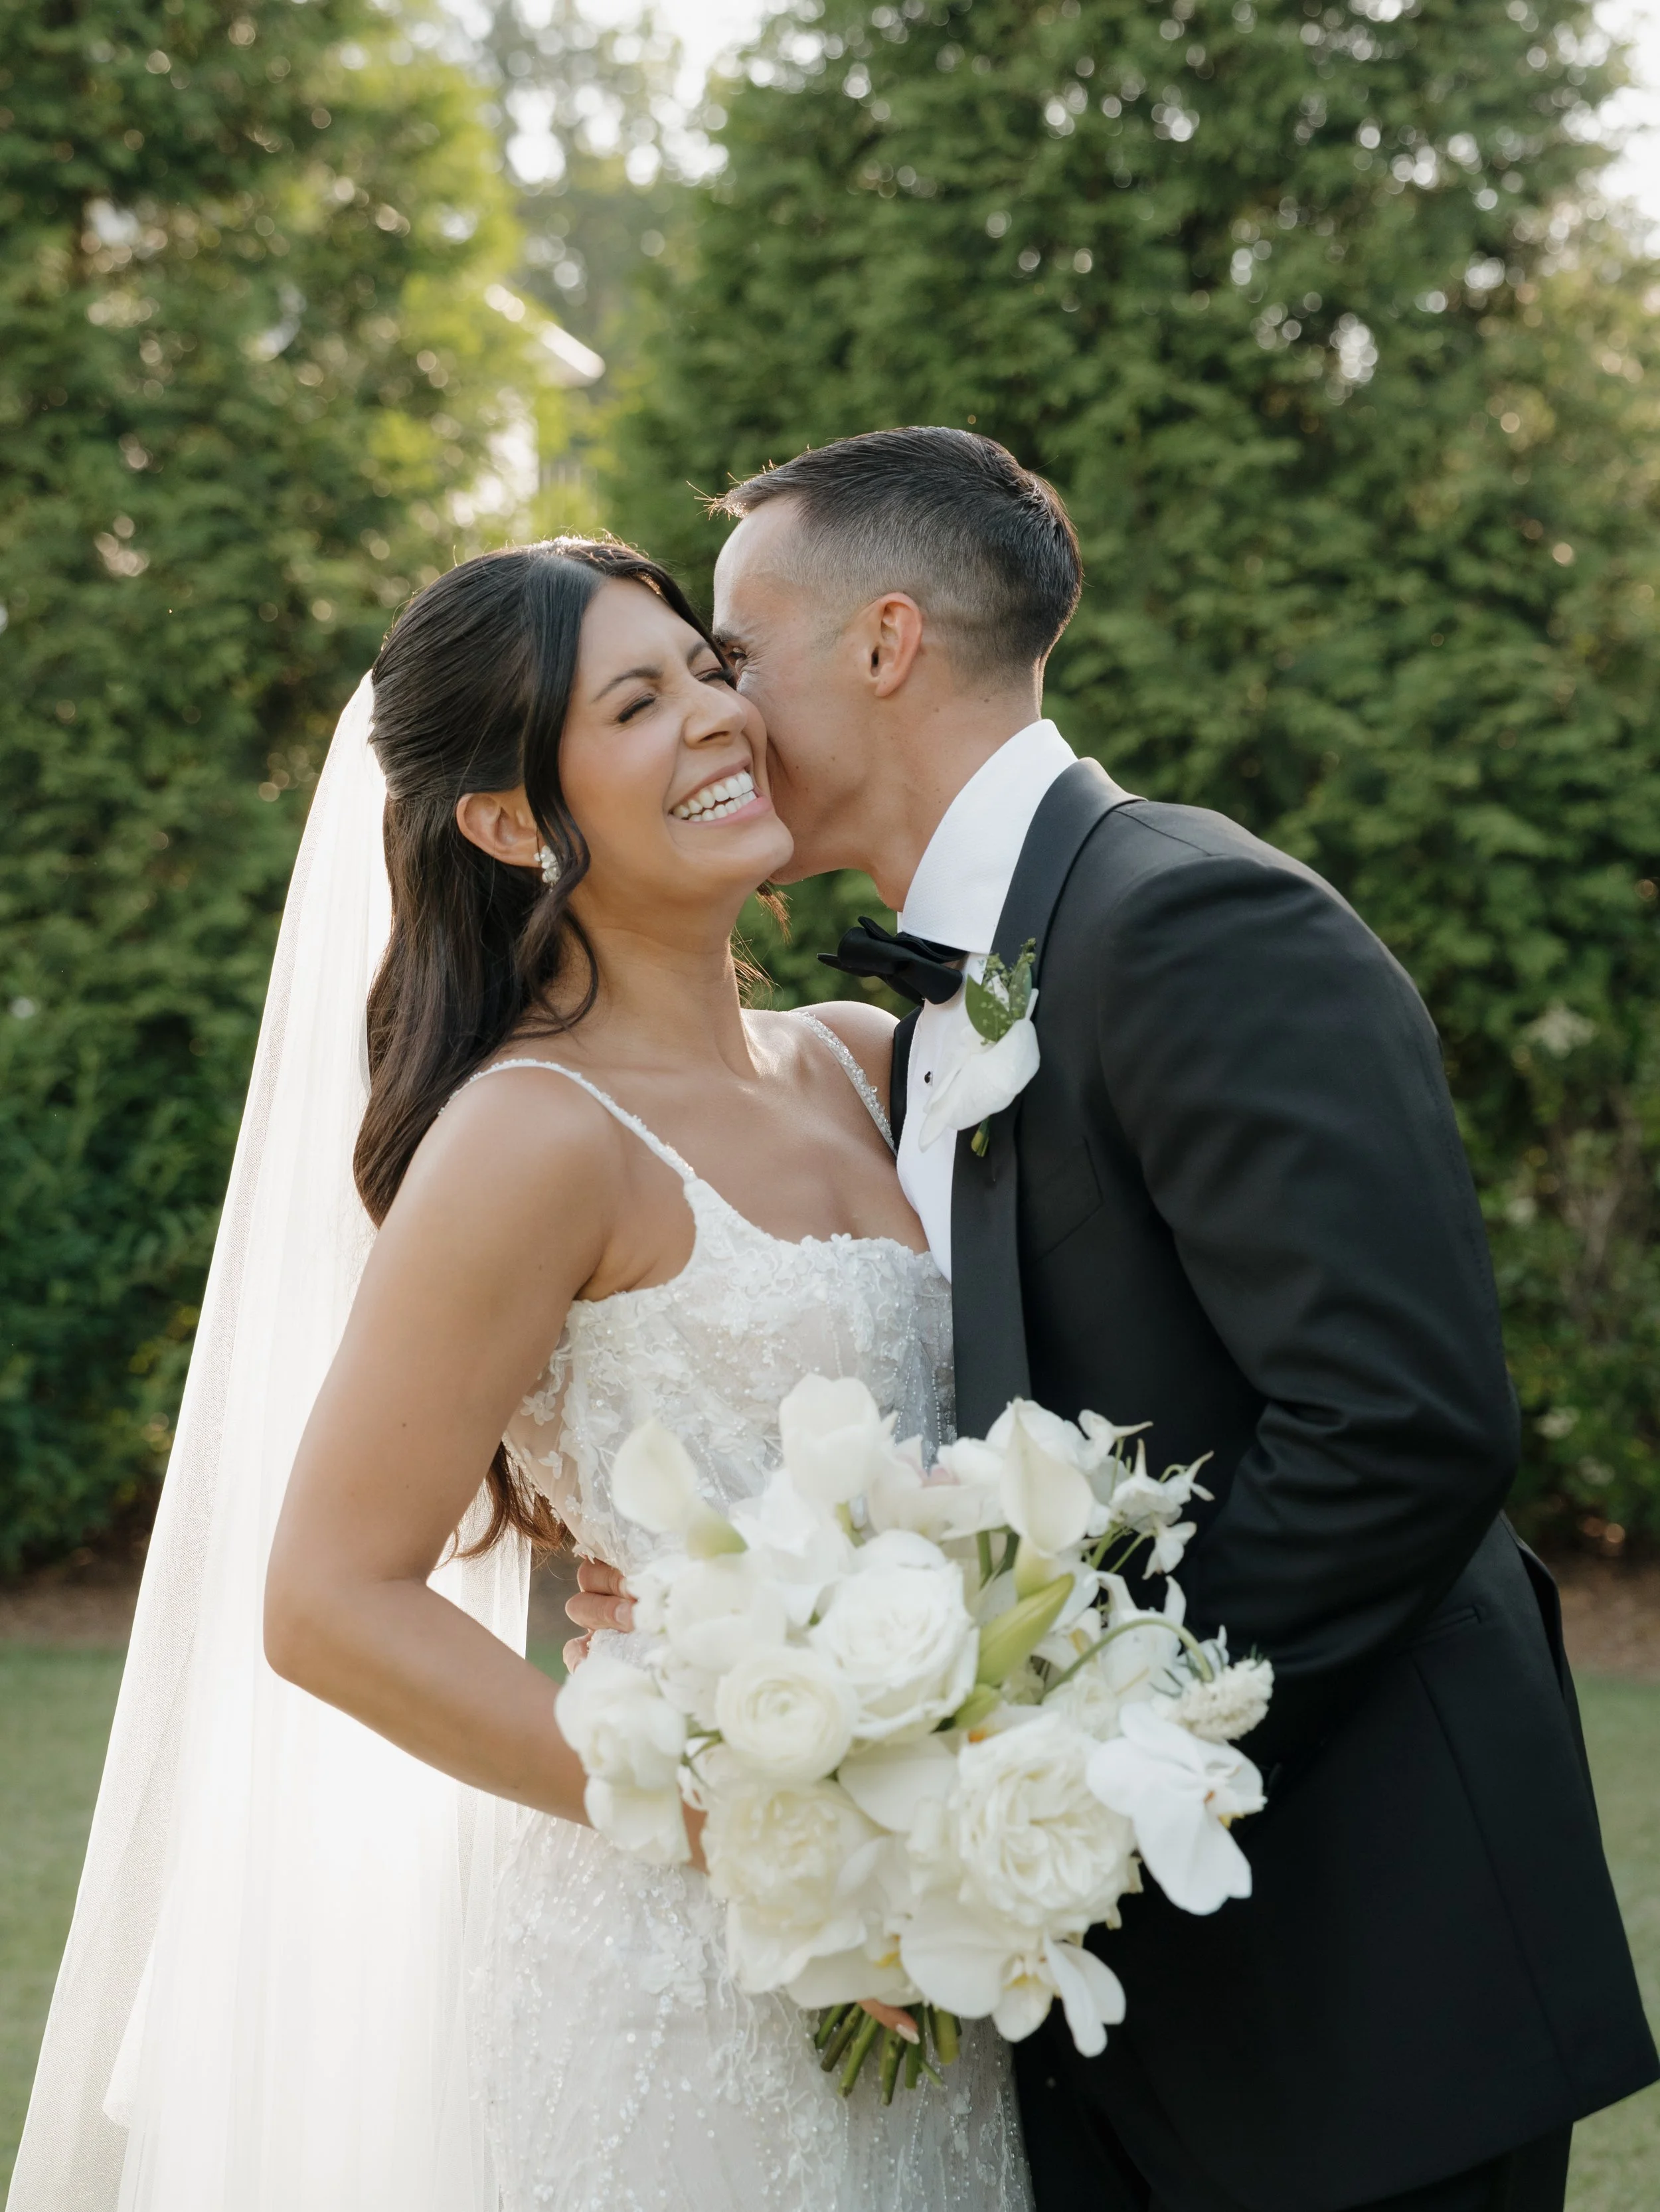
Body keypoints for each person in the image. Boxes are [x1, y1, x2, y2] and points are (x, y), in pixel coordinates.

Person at [583, 425, 1656, 2212]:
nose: (721, 709)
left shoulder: (1189, 921)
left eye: (733, 655)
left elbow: (1395, 1423)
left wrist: (1076, 1773)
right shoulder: (925, 1017)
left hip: (1353, 1991)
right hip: (1099, 2017)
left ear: (883, 644)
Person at [9, 539, 1029, 2212]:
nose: (715, 717)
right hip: (681, 1967)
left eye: (706, 670)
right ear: (507, 820)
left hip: (943, 1921)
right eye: (637, 703)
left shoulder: (862, 1065)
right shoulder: (529, 1136)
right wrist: (740, 1812)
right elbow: (330, 1598)